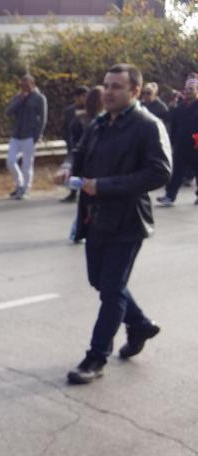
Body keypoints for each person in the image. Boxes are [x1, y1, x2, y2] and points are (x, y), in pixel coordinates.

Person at [55, 64, 170, 384]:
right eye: (106, 85)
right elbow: (78, 153)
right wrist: (67, 168)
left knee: (112, 289)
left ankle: (96, 357)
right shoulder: (99, 123)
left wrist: (104, 186)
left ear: (135, 91)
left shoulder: (148, 125)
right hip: (95, 217)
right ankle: (140, 325)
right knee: (100, 281)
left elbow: (160, 172)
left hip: (128, 220)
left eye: (117, 86)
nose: (108, 92)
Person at [156, 77, 198, 207]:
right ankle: (170, 196)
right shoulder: (179, 107)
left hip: (196, 145)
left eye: (191, 89)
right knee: (177, 171)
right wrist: (172, 142)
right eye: (186, 89)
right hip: (181, 145)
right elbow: (173, 125)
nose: (188, 91)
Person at [5, 74, 48, 200]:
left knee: (27, 164)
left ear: (32, 84)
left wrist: (38, 135)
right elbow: (8, 112)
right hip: (16, 135)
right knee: (10, 161)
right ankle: (19, 184)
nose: (24, 87)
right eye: (22, 85)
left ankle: (25, 189)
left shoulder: (39, 98)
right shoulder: (18, 97)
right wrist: (20, 100)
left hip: (30, 135)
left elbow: (43, 118)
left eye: (26, 84)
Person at [61, 86, 103, 203]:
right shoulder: (78, 116)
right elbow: (67, 129)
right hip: (84, 150)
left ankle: (79, 190)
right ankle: (75, 191)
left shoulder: (87, 118)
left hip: (80, 149)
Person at [62, 86, 90, 154]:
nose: (87, 98)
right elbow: (64, 129)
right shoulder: (69, 111)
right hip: (73, 147)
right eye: (84, 96)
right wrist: (69, 141)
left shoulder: (91, 109)